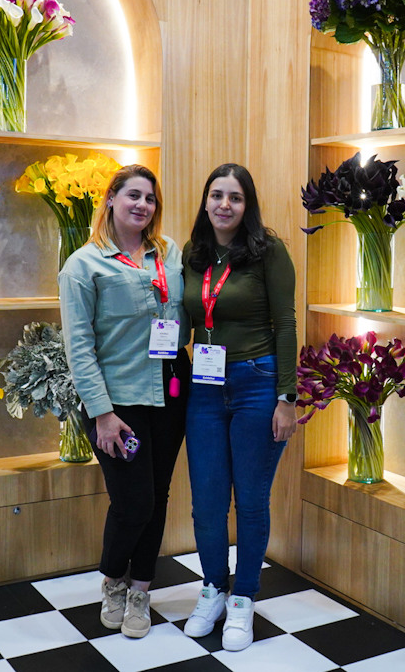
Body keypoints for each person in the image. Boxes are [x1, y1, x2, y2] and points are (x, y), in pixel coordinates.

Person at [59, 164, 190, 639]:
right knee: (133, 501)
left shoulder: (169, 252)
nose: (142, 205)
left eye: (150, 198)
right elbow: (79, 347)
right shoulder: (83, 265)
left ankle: (141, 590)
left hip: (171, 391)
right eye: (133, 195)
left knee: (158, 496)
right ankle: (113, 580)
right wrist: (102, 414)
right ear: (111, 198)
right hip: (118, 403)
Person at [179, 163, 298, 651]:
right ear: (205, 201)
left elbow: (286, 323)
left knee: (250, 500)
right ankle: (212, 588)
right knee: (206, 501)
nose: (224, 205)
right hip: (205, 388)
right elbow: (186, 318)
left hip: (257, 384)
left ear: (247, 205)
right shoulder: (193, 253)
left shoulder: (268, 251)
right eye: (216, 195)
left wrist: (287, 398)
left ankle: (243, 596)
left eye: (235, 197)